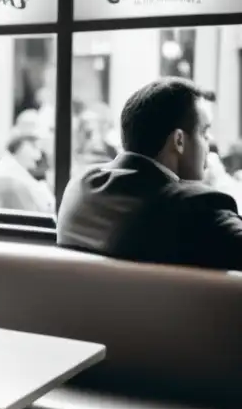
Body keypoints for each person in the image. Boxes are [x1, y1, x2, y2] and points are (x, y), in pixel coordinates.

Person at [57, 77, 242, 268]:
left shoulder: (79, 188)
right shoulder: (198, 208)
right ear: (179, 141)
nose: (209, 144)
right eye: (204, 133)